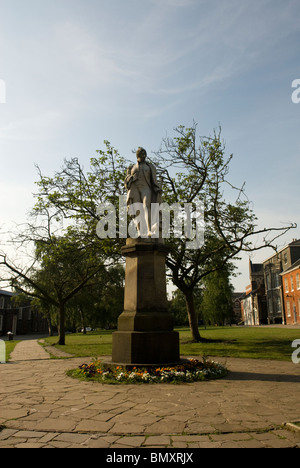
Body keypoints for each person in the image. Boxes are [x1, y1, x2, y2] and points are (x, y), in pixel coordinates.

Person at [125, 147, 161, 237]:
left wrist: (157, 188)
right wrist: (132, 178)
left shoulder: (150, 167)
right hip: (135, 189)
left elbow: (154, 180)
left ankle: (149, 230)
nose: (144, 156)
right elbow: (126, 182)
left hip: (146, 188)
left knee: (146, 206)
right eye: (142, 154)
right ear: (138, 155)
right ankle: (140, 231)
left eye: (145, 154)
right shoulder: (131, 167)